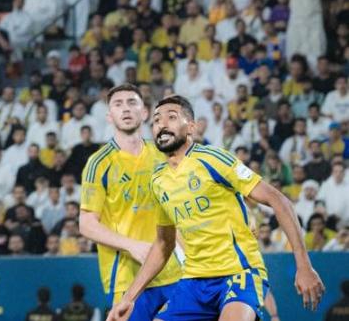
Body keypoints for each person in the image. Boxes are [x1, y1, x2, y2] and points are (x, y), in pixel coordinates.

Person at [108, 95, 325, 321]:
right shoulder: (158, 181)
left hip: (239, 273)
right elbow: (164, 244)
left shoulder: (212, 159)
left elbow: (278, 200)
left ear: (191, 127)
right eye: (156, 120)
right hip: (193, 281)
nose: (162, 124)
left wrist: (304, 265)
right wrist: (128, 298)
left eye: (171, 117)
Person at [79, 84, 181, 321]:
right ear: (109, 116)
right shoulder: (99, 163)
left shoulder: (163, 155)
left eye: (132, 102)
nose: (125, 108)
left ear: (145, 112)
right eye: (118, 104)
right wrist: (131, 245)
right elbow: (86, 224)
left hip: (174, 271)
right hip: (127, 276)